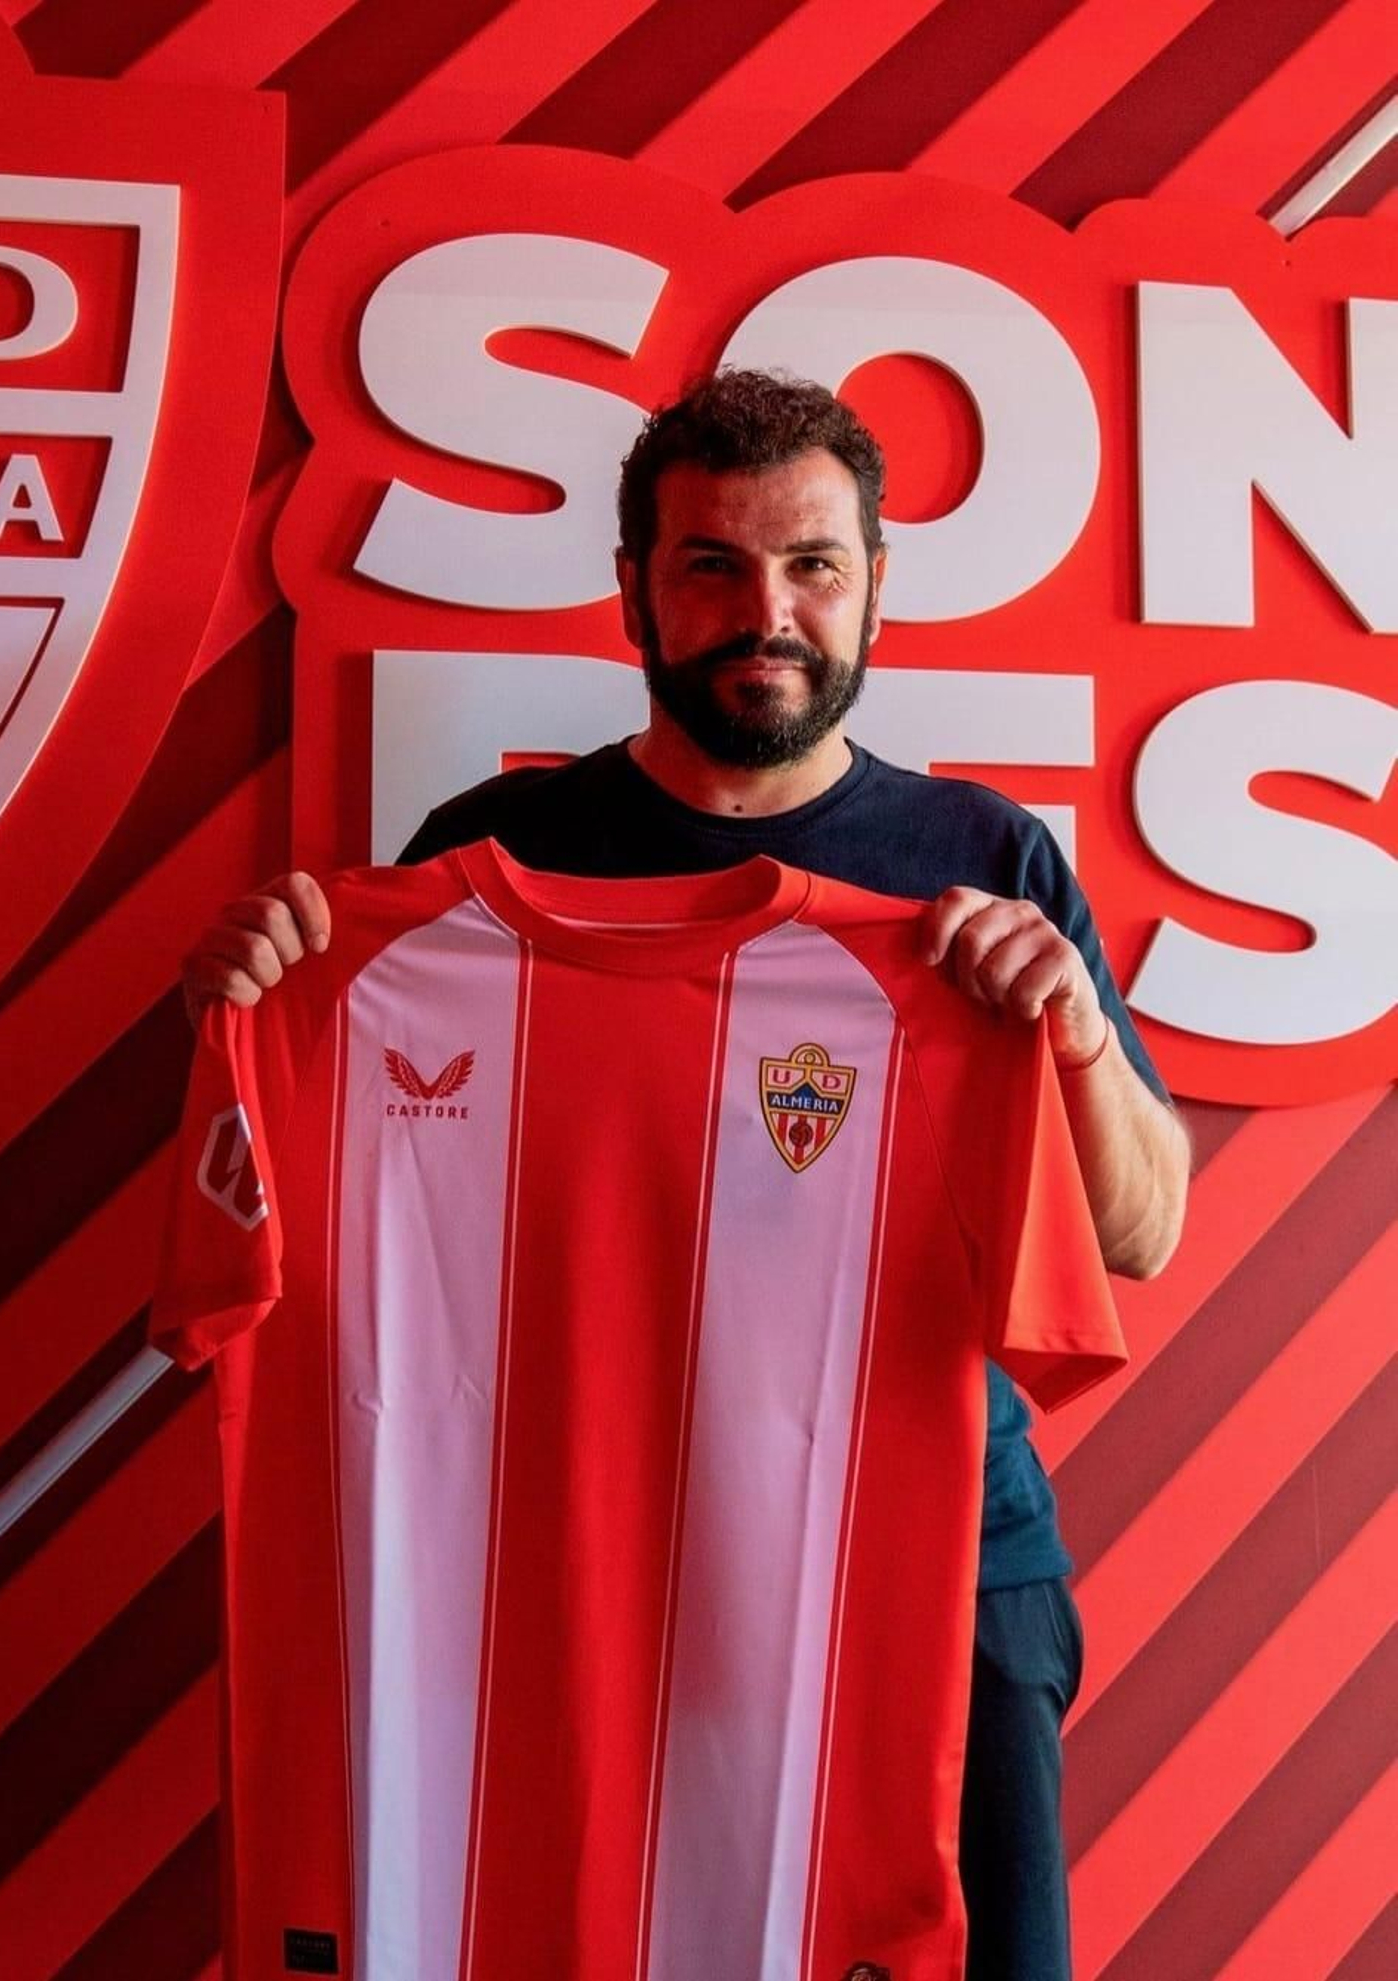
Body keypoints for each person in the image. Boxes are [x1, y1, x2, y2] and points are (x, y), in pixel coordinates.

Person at [181, 369, 1189, 1978]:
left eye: (811, 565)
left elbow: (1141, 1231)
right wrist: (262, 1012)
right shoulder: (479, 857)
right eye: (711, 564)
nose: (765, 609)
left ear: (874, 585)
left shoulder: (983, 863)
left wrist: (1067, 1030)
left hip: (928, 1559)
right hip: (562, 1558)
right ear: (635, 593)